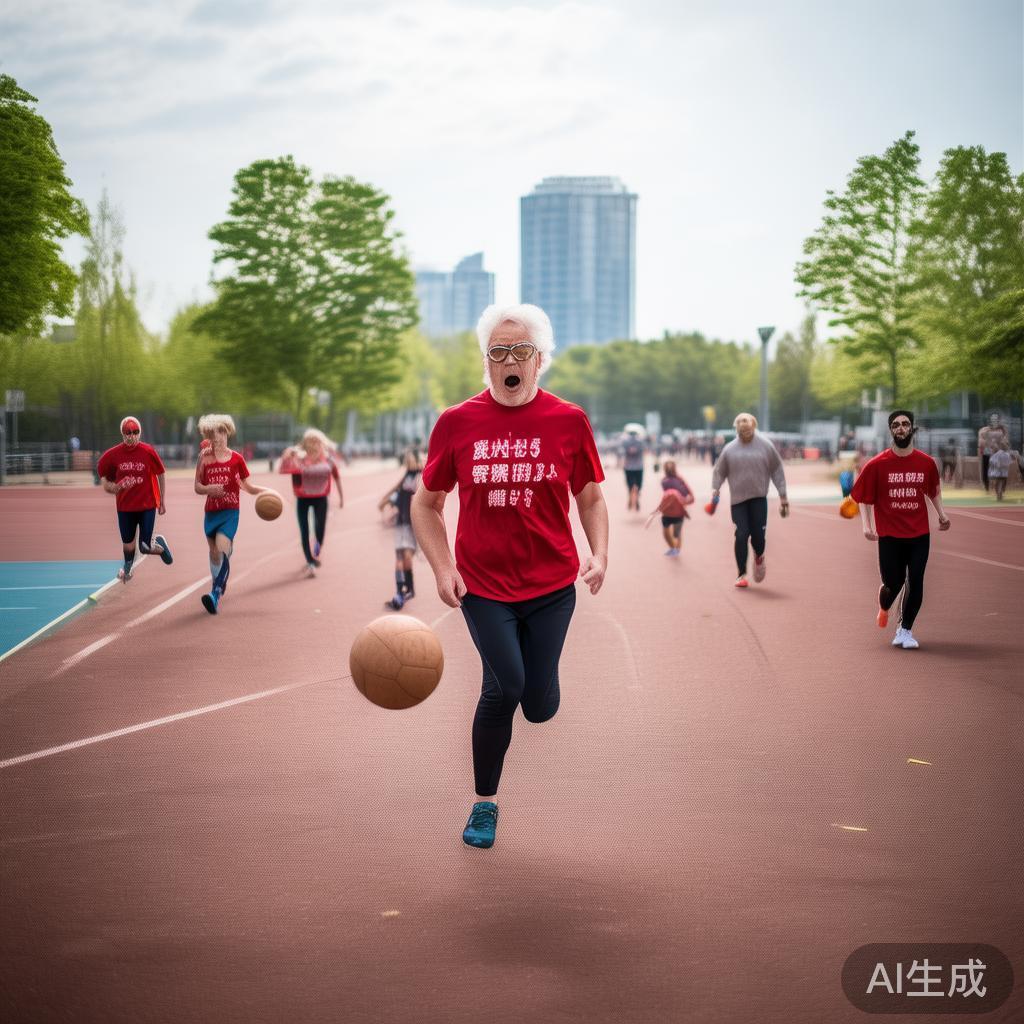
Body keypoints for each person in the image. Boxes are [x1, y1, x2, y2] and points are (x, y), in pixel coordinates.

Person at [411, 303, 608, 851]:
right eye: (499, 352)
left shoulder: (568, 420)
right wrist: (443, 567)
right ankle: (484, 805)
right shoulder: (457, 422)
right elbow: (425, 505)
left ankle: (542, 685)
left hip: (551, 589)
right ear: (486, 362)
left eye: (521, 351)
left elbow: (590, 496)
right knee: (505, 689)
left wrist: (601, 553)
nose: (510, 360)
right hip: (483, 588)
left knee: (539, 706)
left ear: (540, 360)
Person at [851, 410, 951, 650]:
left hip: (918, 534)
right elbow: (863, 498)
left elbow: (932, 490)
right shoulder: (877, 465)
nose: (901, 428)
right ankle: (885, 605)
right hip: (889, 535)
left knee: (916, 579)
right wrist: (867, 526)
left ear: (912, 428)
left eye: (905, 424)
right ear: (891, 430)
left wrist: (941, 514)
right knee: (893, 584)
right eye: (896, 425)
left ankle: (905, 630)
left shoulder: (926, 463)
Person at [194, 414, 272, 614]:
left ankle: (215, 592)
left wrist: (267, 492)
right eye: (213, 433)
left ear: (227, 432)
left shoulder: (237, 459)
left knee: (221, 547)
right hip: (211, 512)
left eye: (221, 432)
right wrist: (209, 489)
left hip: (230, 512)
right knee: (214, 553)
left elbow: (248, 487)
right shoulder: (203, 457)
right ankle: (218, 580)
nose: (217, 437)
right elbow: (197, 486)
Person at [710, 413, 788, 588]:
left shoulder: (766, 446)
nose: (744, 432)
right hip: (738, 500)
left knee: (758, 537)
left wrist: (783, 496)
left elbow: (777, 470)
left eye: (747, 429)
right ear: (737, 429)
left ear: (753, 426)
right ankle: (741, 574)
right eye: (740, 429)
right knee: (742, 533)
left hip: (759, 498)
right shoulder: (730, 449)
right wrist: (715, 489)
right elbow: (719, 471)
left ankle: (759, 556)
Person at [96, 416, 173, 582]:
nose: (132, 436)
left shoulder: (147, 451)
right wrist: (116, 487)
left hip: (147, 505)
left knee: (145, 547)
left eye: (135, 432)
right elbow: (105, 481)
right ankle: (128, 567)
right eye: (128, 433)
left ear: (140, 433)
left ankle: (159, 546)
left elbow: (161, 473)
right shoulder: (112, 455)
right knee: (128, 545)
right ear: (122, 434)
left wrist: (162, 501)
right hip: (125, 507)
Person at [278, 428, 344, 577]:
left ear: (322, 442)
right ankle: (310, 561)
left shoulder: (328, 460)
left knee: (320, 529)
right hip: (303, 498)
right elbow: (283, 468)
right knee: (305, 530)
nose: (314, 443)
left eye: (316, 440)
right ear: (305, 443)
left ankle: (316, 551)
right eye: (310, 440)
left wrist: (341, 498)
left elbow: (337, 477)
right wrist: (287, 456)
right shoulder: (299, 459)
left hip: (321, 498)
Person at [378, 448, 423, 609]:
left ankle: (409, 589)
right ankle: (399, 592)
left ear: (416, 460)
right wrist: (385, 501)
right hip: (401, 521)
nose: (407, 461)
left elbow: (422, 495)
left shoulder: (421, 475)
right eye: (406, 459)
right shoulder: (407, 475)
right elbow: (396, 489)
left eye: (409, 459)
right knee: (398, 559)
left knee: (407, 557)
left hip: (413, 523)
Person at [644, 460, 694, 555]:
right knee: (677, 532)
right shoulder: (679, 480)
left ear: (665, 470)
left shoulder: (664, 481)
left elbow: (667, 495)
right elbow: (688, 495)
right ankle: (676, 549)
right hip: (679, 511)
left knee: (667, 531)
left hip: (667, 511)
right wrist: (684, 501)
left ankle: (673, 548)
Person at [977, 413, 1008, 493]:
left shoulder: (1003, 429)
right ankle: (987, 486)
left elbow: (1006, 441)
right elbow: (981, 442)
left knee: (1002, 470)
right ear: (990, 420)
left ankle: (1002, 487)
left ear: (999, 420)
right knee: (986, 470)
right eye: (992, 418)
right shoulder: (985, 430)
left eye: (996, 418)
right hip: (988, 452)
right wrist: (988, 444)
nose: (994, 420)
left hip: (999, 453)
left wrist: (1002, 445)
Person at [621, 428, 645, 510]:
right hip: (639, 466)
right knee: (638, 485)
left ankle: (630, 497)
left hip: (628, 466)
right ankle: (637, 498)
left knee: (630, 485)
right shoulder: (640, 441)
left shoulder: (625, 442)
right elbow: (644, 449)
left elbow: (620, 451)